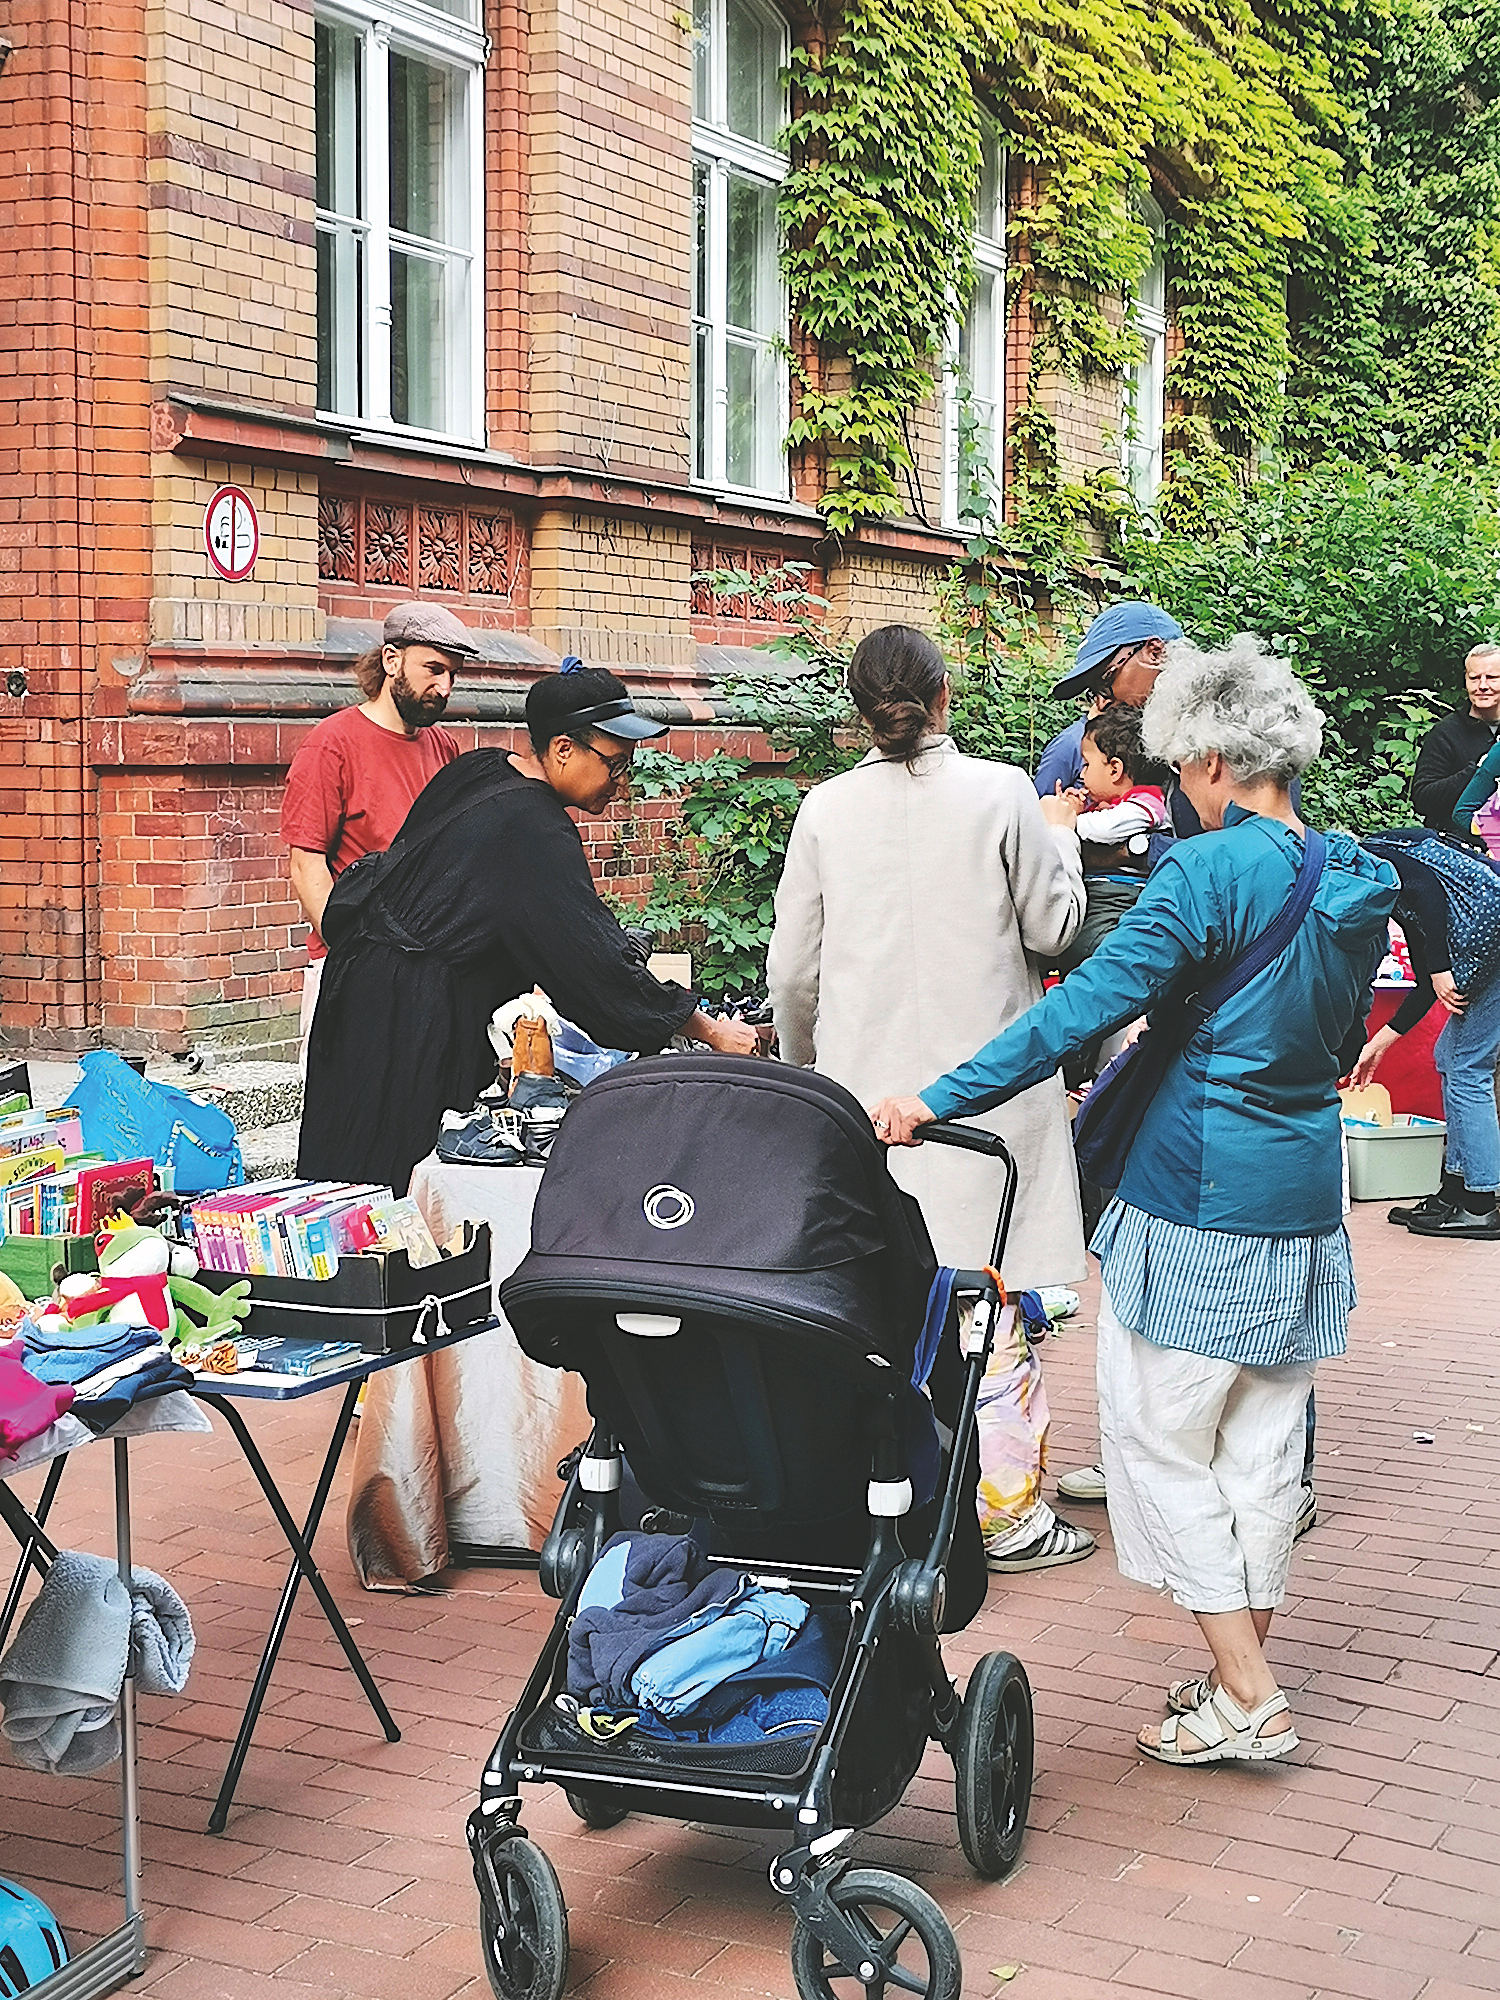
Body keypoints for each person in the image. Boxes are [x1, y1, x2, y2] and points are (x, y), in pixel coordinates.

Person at [868, 638, 1398, 1765]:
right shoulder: (1348, 868)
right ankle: (1232, 1675)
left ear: (1210, 754)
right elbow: (1337, 1027)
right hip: (1305, 1195)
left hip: (1195, 1193)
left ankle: (1250, 1693)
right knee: (1260, 1444)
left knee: (1162, 1443)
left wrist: (932, 1097)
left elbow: (1075, 1016)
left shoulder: (1206, 874)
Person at [767, 625, 1097, 1574]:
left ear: (856, 707)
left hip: (867, 1100)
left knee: (884, 1300)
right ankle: (1006, 1516)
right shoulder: (1002, 794)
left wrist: (809, 1070)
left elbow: (792, 970)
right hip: (987, 1091)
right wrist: (1063, 840)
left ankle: (894, 1497)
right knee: (991, 1303)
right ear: (944, 694)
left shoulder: (824, 810)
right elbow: (1056, 927)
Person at [299, 665, 758, 1194]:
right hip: (411, 1016)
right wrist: (709, 1029)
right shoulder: (533, 825)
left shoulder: (481, 769)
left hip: (361, 987)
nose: (622, 781)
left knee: (343, 1175)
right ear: (563, 749)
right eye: (614, 764)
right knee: (397, 1185)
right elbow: (593, 963)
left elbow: (537, 916)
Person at [281, 601, 469, 1071]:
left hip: (427, 969)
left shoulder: (443, 747)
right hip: (355, 968)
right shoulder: (331, 745)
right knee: (344, 1124)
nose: (444, 687)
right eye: (433, 669)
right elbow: (307, 866)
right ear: (391, 661)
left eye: (452, 675)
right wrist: (350, 955)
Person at [1353, 830, 1500, 1240]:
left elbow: (1426, 886)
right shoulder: (1406, 907)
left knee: (1467, 1065)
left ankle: (1482, 1205)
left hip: (1496, 938)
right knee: (1451, 1057)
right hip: (1491, 938)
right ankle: (1456, 1190)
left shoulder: (1364, 858)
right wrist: (1376, 1045)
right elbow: (1425, 984)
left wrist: (1439, 966)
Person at [1055, 704, 1170, 976]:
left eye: (1086, 764)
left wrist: (1064, 820)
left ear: (1115, 769)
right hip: (1099, 896)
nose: (1081, 775)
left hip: (1118, 898)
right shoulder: (1115, 805)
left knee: (1095, 951)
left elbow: (1106, 830)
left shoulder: (1147, 804)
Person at [1033, 600, 1184, 801]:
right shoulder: (1076, 743)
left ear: (1154, 652)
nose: (1102, 702)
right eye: (1093, 691)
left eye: (1106, 680)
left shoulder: (1212, 737)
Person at [1411, 644, 1500, 841]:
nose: (1482, 685)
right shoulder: (1446, 733)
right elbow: (1423, 799)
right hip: (1456, 847)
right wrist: (1479, 769)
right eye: (1474, 678)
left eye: (1492, 678)